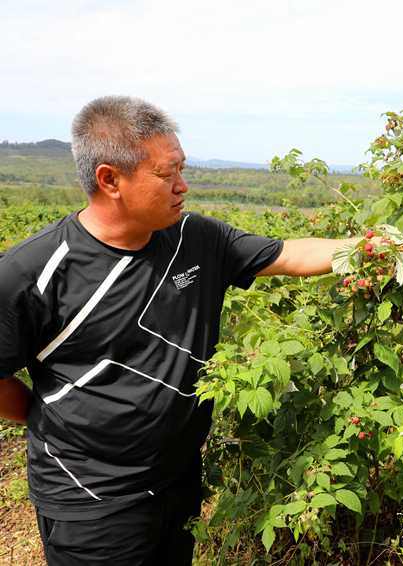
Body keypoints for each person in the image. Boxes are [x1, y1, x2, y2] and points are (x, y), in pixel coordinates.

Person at [0, 95, 361, 565]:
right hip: (91, 499)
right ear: (110, 180)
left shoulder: (196, 237)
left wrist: (380, 244)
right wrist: (50, 420)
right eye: (166, 173)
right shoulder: (31, 272)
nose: (182, 185)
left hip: (179, 479)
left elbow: (292, 254)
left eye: (182, 169)